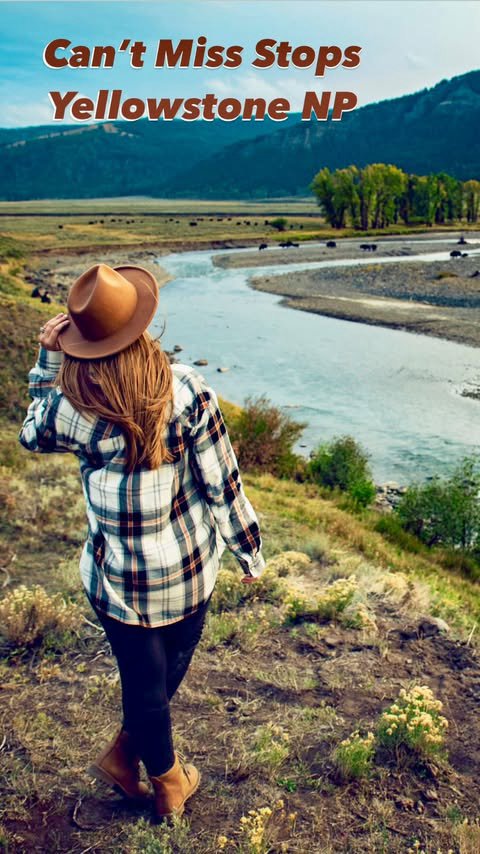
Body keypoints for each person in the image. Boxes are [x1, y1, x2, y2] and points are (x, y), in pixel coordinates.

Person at [18, 263, 265, 820]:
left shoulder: (68, 404)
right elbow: (221, 481)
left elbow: (31, 433)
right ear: (141, 325)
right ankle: (170, 783)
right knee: (161, 677)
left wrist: (47, 362)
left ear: (81, 341)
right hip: (187, 571)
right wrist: (248, 548)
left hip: (116, 580)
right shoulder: (185, 389)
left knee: (144, 682)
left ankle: (126, 759)